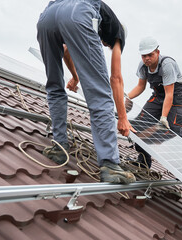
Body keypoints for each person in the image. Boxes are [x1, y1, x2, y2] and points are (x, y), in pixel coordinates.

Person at [36, 0, 135, 184]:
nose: (105, 46)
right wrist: (122, 117)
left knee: (55, 86)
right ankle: (110, 164)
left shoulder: (97, 18)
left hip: (48, 17)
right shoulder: (117, 34)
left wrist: (75, 76)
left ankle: (59, 147)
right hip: (78, 12)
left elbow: (66, 51)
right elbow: (116, 78)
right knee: (100, 93)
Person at [126, 36, 182, 168]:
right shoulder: (142, 66)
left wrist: (163, 117)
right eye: (144, 56)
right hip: (158, 96)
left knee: (173, 131)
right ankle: (143, 161)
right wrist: (126, 97)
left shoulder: (167, 64)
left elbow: (169, 93)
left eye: (150, 55)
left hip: (176, 97)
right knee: (139, 125)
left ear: (157, 53)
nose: (147, 58)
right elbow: (140, 87)